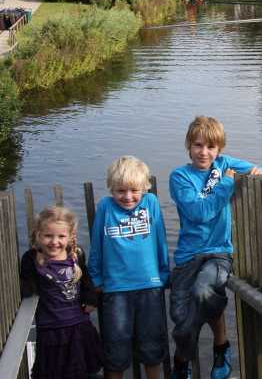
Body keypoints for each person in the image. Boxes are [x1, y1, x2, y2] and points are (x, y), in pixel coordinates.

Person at [169, 116, 262, 379]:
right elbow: (199, 212)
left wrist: (261, 172)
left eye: (211, 147)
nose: (204, 152)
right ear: (188, 146)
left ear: (219, 149)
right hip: (187, 256)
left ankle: (221, 345)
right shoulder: (180, 177)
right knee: (181, 324)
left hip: (218, 251)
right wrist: (226, 184)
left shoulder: (225, 164)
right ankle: (183, 361)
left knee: (204, 289)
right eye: (198, 145)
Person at [88, 156, 170, 379]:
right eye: (120, 191)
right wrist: (95, 277)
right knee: (115, 349)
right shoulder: (105, 207)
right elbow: (96, 243)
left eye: (134, 190)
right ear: (111, 189)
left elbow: (160, 239)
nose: (127, 196)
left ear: (144, 187)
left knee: (152, 346)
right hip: (115, 290)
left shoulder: (150, 202)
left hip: (150, 286)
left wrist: (163, 272)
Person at [20, 206, 103, 379]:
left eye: (61, 236)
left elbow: (86, 281)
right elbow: (26, 284)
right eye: (48, 236)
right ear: (38, 235)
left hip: (79, 326)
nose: (54, 241)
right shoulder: (31, 258)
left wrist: (91, 299)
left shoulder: (76, 255)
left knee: (81, 371)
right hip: (51, 328)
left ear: (70, 237)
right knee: (53, 372)